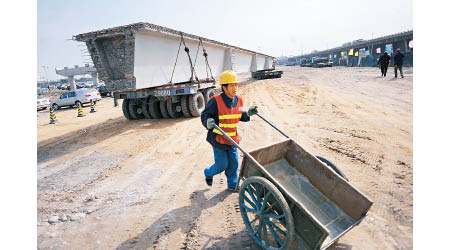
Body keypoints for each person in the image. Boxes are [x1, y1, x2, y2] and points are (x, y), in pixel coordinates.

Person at [201, 70, 258, 191]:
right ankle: (208, 172)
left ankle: (232, 185)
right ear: (224, 87)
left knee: (234, 164)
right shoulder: (215, 101)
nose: (235, 88)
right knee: (222, 165)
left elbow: (239, 115)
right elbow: (205, 115)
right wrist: (208, 122)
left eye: (236, 84)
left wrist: (248, 113)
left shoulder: (239, 100)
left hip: (232, 139)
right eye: (231, 85)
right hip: (219, 139)